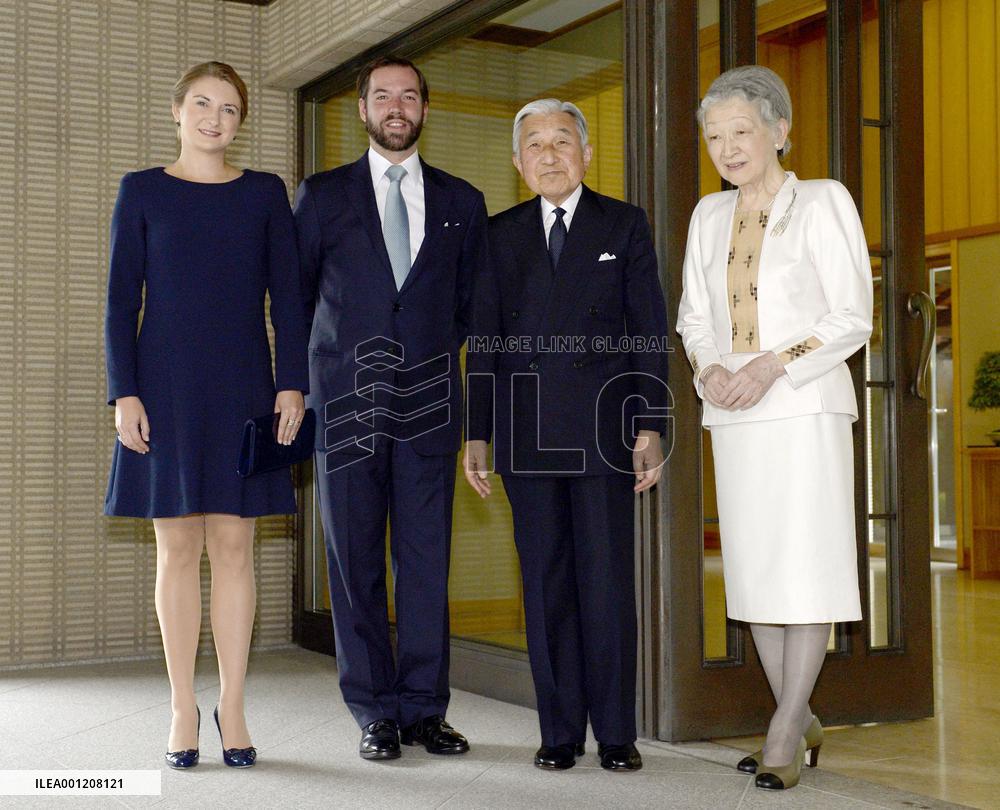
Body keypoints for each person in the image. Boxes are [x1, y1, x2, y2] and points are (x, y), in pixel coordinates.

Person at [104, 61, 309, 770]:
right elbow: (117, 300)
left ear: (241, 121)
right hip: (162, 387)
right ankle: (181, 707)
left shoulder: (262, 193)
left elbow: (289, 299)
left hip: (246, 385)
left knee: (233, 545)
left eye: (228, 108)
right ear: (176, 110)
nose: (214, 118)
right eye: (201, 103)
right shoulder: (141, 190)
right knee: (176, 547)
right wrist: (123, 392)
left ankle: (232, 705)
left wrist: (293, 385)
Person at [676, 65, 873, 791]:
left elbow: (851, 316)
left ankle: (784, 728)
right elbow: (694, 315)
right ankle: (798, 711)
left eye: (742, 132)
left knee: (807, 567)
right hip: (732, 412)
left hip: (804, 406)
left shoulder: (823, 203)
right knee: (757, 571)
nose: (727, 147)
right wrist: (708, 370)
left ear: (780, 132)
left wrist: (770, 366)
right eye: (714, 135)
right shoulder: (705, 215)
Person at [463, 99, 669, 772]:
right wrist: (477, 433)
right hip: (526, 432)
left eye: (562, 141)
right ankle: (558, 731)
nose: (550, 154)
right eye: (535, 145)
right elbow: (484, 340)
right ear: (519, 164)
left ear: (585, 153)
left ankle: (615, 731)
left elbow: (648, 332)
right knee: (545, 581)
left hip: (606, 428)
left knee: (607, 583)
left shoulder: (624, 224)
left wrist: (651, 423)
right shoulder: (497, 235)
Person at [293, 55, 487, 761]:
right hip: (345, 406)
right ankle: (373, 708)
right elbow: (297, 302)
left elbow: (470, 309)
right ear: (364, 110)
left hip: (430, 408)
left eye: (409, 96)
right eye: (383, 96)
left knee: (426, 563)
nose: (396, 106)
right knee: (355, 565)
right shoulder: (320, 196)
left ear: (425, 110)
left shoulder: (464, 203)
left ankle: (425, 710)